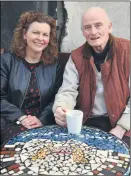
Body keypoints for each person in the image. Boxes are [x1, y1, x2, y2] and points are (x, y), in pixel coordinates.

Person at [53, 7, 130, 146]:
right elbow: (67, 90)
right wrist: (61, 108)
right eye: (87, 27)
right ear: (83, 32)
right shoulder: (76, 56)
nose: (93, 32)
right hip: (88, 121)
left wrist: (121, 128)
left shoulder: (127, 52)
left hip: (123, 123)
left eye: (98, 25)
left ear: (109, 27)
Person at [1, 11, 62, 146]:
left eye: (45, 34)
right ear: (24, 34)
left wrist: (42, 119)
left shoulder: (54, 65)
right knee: (20, 146)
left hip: (43, 120)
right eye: (36, 32)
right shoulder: (7, 61)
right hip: (12, 120)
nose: (40, 38)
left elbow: (57, 98)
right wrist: (21, 117)